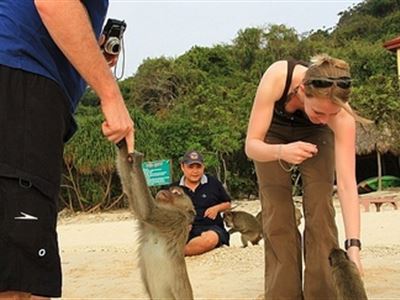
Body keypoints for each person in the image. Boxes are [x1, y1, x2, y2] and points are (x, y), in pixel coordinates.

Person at [0, 1, 134, 299]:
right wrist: (110, 94)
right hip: (20, 80)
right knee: (19, 278)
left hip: (20, 81)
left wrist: (87, 51)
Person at [245, 54, 363, 299]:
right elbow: (251, 146)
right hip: (272, 136)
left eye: (331, 115)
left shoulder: (339, 116)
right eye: (320, 111)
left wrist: (354, 248)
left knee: (320, 207)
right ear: (302, 90)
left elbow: (347, 184)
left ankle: (322, 293)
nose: (325, 119)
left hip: (315, 136)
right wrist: (281, 151)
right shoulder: (279, 76)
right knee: (277, 212)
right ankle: (282, 293)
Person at [173, 150, 232, 256]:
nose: (195, 171)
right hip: (184, 230)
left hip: (211, 228)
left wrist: (217, 208)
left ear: (203, 167)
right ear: (183, 167)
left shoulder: (213, 183)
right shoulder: (174, 188)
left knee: (209, 239)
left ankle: (178, 253)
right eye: (191, 167)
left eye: (198, 167)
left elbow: (228, 203)